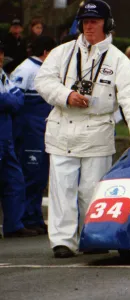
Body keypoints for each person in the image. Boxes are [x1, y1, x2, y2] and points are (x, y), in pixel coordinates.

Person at [34, 0, 130, 258]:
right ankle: (63, 242)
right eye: (85, 21)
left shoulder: (118, 59)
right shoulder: (62, 52)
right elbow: (43, 80)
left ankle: (92, 236)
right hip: (62, 127)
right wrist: (66, 95)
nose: (88, 26)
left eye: (94, 21)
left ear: (107, 25)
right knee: (62, 189)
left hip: (97, 130)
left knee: (92, 190)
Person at [10, 36, 57, 234]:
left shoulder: (45, 70)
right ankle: (26, 218)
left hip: (43, 129)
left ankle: (36, 217)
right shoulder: (26, 69)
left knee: (40, 176)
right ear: (46, 52)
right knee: (31, 174)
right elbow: (14, 101)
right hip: (29, 131)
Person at [0, 40, 38, 238]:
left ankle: (13, 225)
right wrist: (8, 100)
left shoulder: (3, 75)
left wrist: (7, 100)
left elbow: (17, 98)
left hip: (6, 136)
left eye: (1, 53)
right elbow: (7, 99)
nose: (0, 57)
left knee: (15, 180)